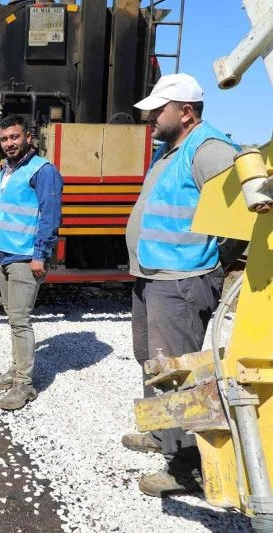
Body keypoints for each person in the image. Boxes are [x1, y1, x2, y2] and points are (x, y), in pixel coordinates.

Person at [121, 73, 240, 497]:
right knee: (152, 362)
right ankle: (162, 435)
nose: (150, 116)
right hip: (152, 276)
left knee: (179, 374)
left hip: (182, 281)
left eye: (158, 109)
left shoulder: (209, 150)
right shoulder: (169, 149)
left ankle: (187, 465)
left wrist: (217, 258)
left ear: (185, 112)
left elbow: (246, 209)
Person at [0, 116, 62, 411]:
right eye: (4, 139)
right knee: (12, 317)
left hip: (25, 257)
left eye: (14, 137)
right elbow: (3, 213)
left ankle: (24, 384)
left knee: (20, 319)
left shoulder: (43, 171)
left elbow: (49, 216)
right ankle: (16, 370)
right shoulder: (6, 171)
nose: (9, 144)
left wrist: (40, 254)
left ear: (28, 137)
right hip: (4, 254)